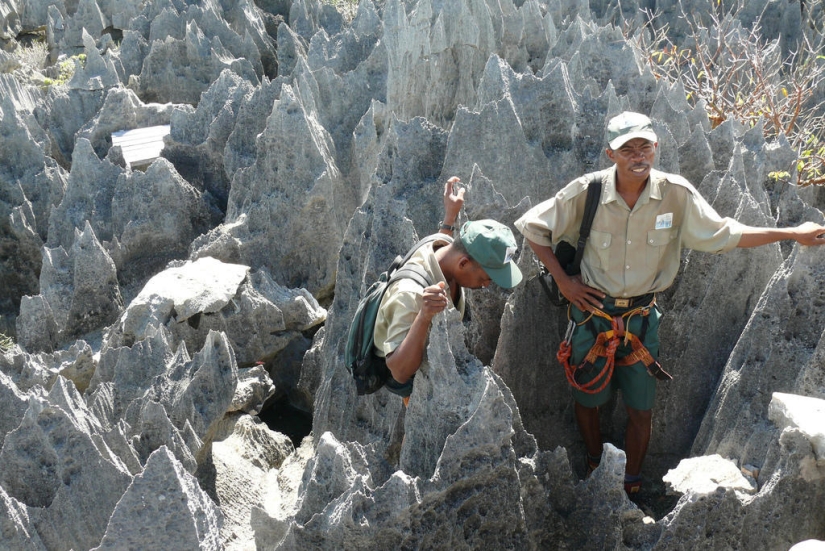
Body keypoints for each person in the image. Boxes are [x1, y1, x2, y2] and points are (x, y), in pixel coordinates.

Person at [514, 111, 825, 496]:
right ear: (610, 153)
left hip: (642, 321)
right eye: (627, 148)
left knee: (642, 408)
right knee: (586, 399)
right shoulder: (587, 192)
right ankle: (595, 463)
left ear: (656, 147)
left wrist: (791, 233)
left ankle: (631, 483)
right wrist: (564, 282)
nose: (638, 154)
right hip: (591, 317)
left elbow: (725, 233)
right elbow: (532, 226)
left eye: (645, 145)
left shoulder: (676, 194)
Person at [374, 177, 523, 404]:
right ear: (463, 264)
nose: (487, 285)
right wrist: (424, 316)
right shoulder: (410, 294)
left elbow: (448, 250)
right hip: (411, 383)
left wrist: (450, 217)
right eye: (485, 278)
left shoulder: (442, 247)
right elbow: (400, 372)